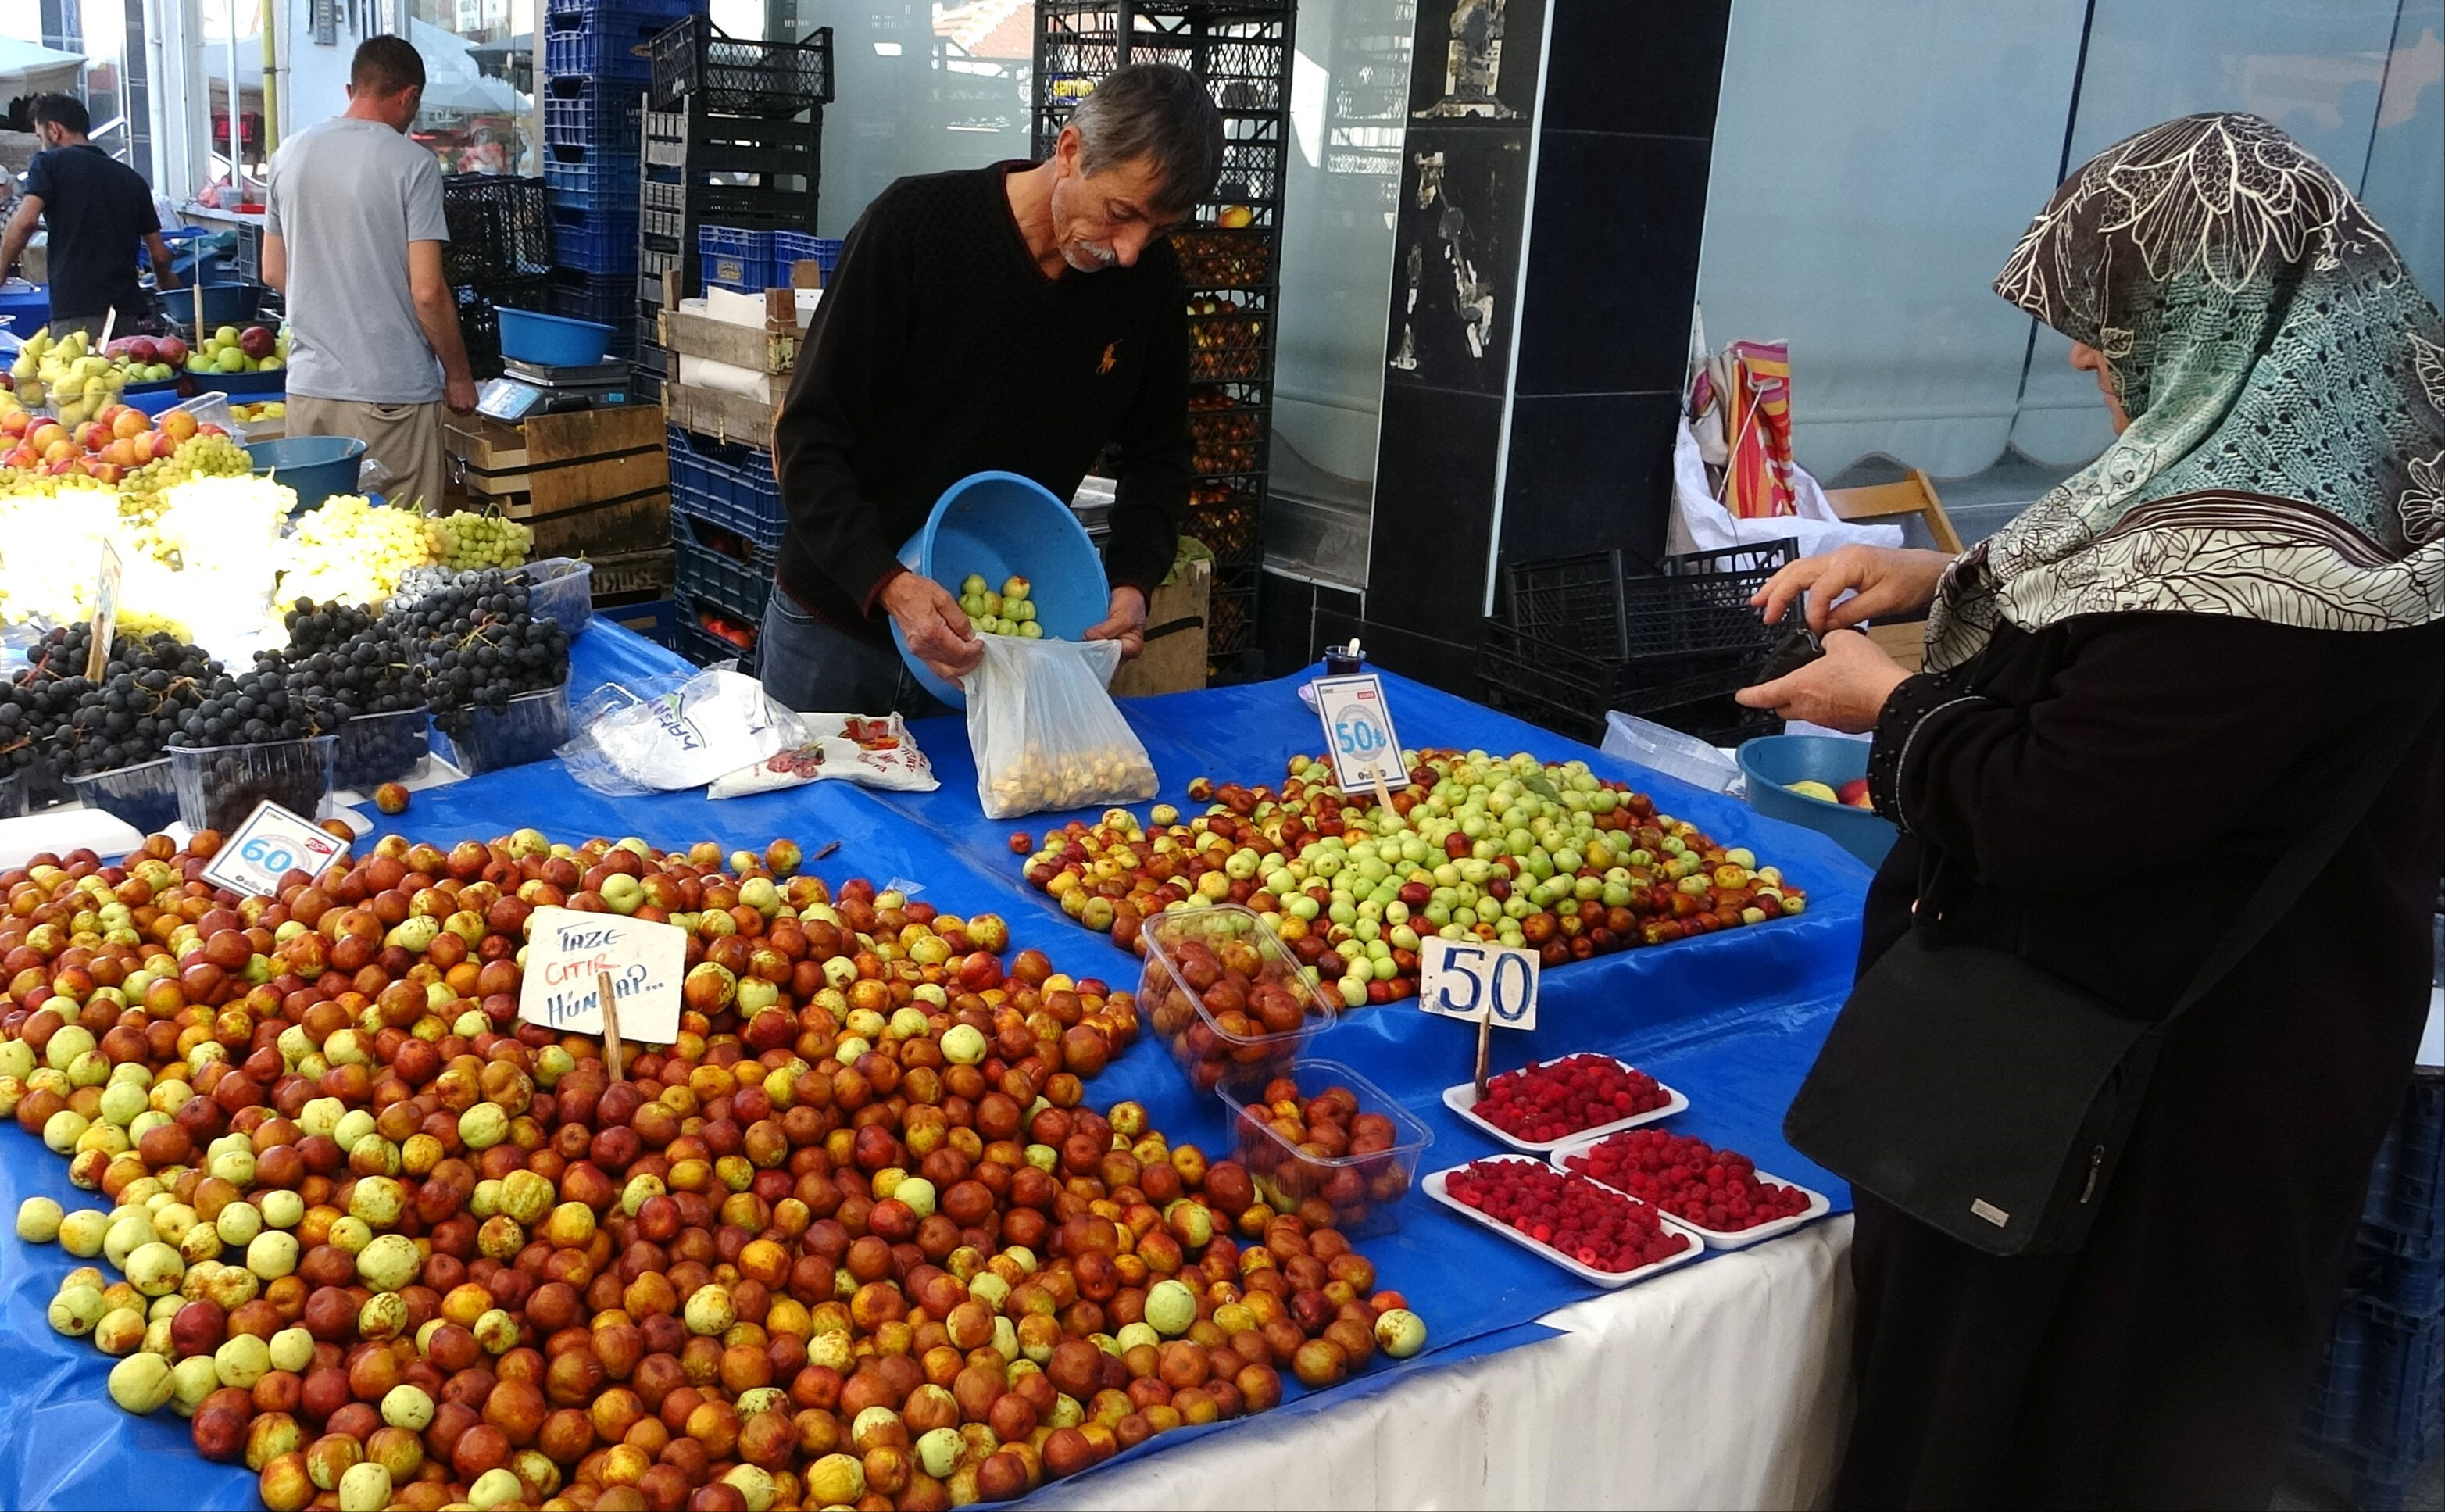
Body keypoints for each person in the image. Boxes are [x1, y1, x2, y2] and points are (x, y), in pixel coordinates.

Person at [1736, 113, 2445, 1509]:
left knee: (2025, 1443)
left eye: (2114, 313)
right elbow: (2142, 629)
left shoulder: (2255, 578)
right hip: (2245, 1076)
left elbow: (2055, 805)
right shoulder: (2351, 464)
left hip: (2130, 1140)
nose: (2078, 351)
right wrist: (1953, 585)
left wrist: (1889, 706)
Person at [764, 63, 1223, 714]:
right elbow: (806, 433)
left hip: (992, 652)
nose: (1129, 250)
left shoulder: (1147, 285)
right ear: (1069, 151)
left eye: (1157, 229)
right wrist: (888, 582)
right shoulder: (915, 228)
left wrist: (1132, 581)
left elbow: (1159, 454)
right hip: (836, 633)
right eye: (1121, 214)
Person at [263, 36, 476, 513]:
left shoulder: (287, 156)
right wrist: (459, 375)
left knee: (322, 546)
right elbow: (426, 291)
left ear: (351, 88)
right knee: (405, 549)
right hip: (390, 394)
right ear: (410, 96)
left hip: (310, 390)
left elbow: (274, 271)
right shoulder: (414, 165)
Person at [0, 94, 180, 338]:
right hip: (127, 314)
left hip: (76, 311)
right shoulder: (131, 178)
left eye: (40, 137)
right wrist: (165, 279)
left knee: (79, 374)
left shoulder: (49, 162)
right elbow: (159, 254)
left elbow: (25, 221)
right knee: (125, 374)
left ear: (54, 130)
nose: (42, 145)